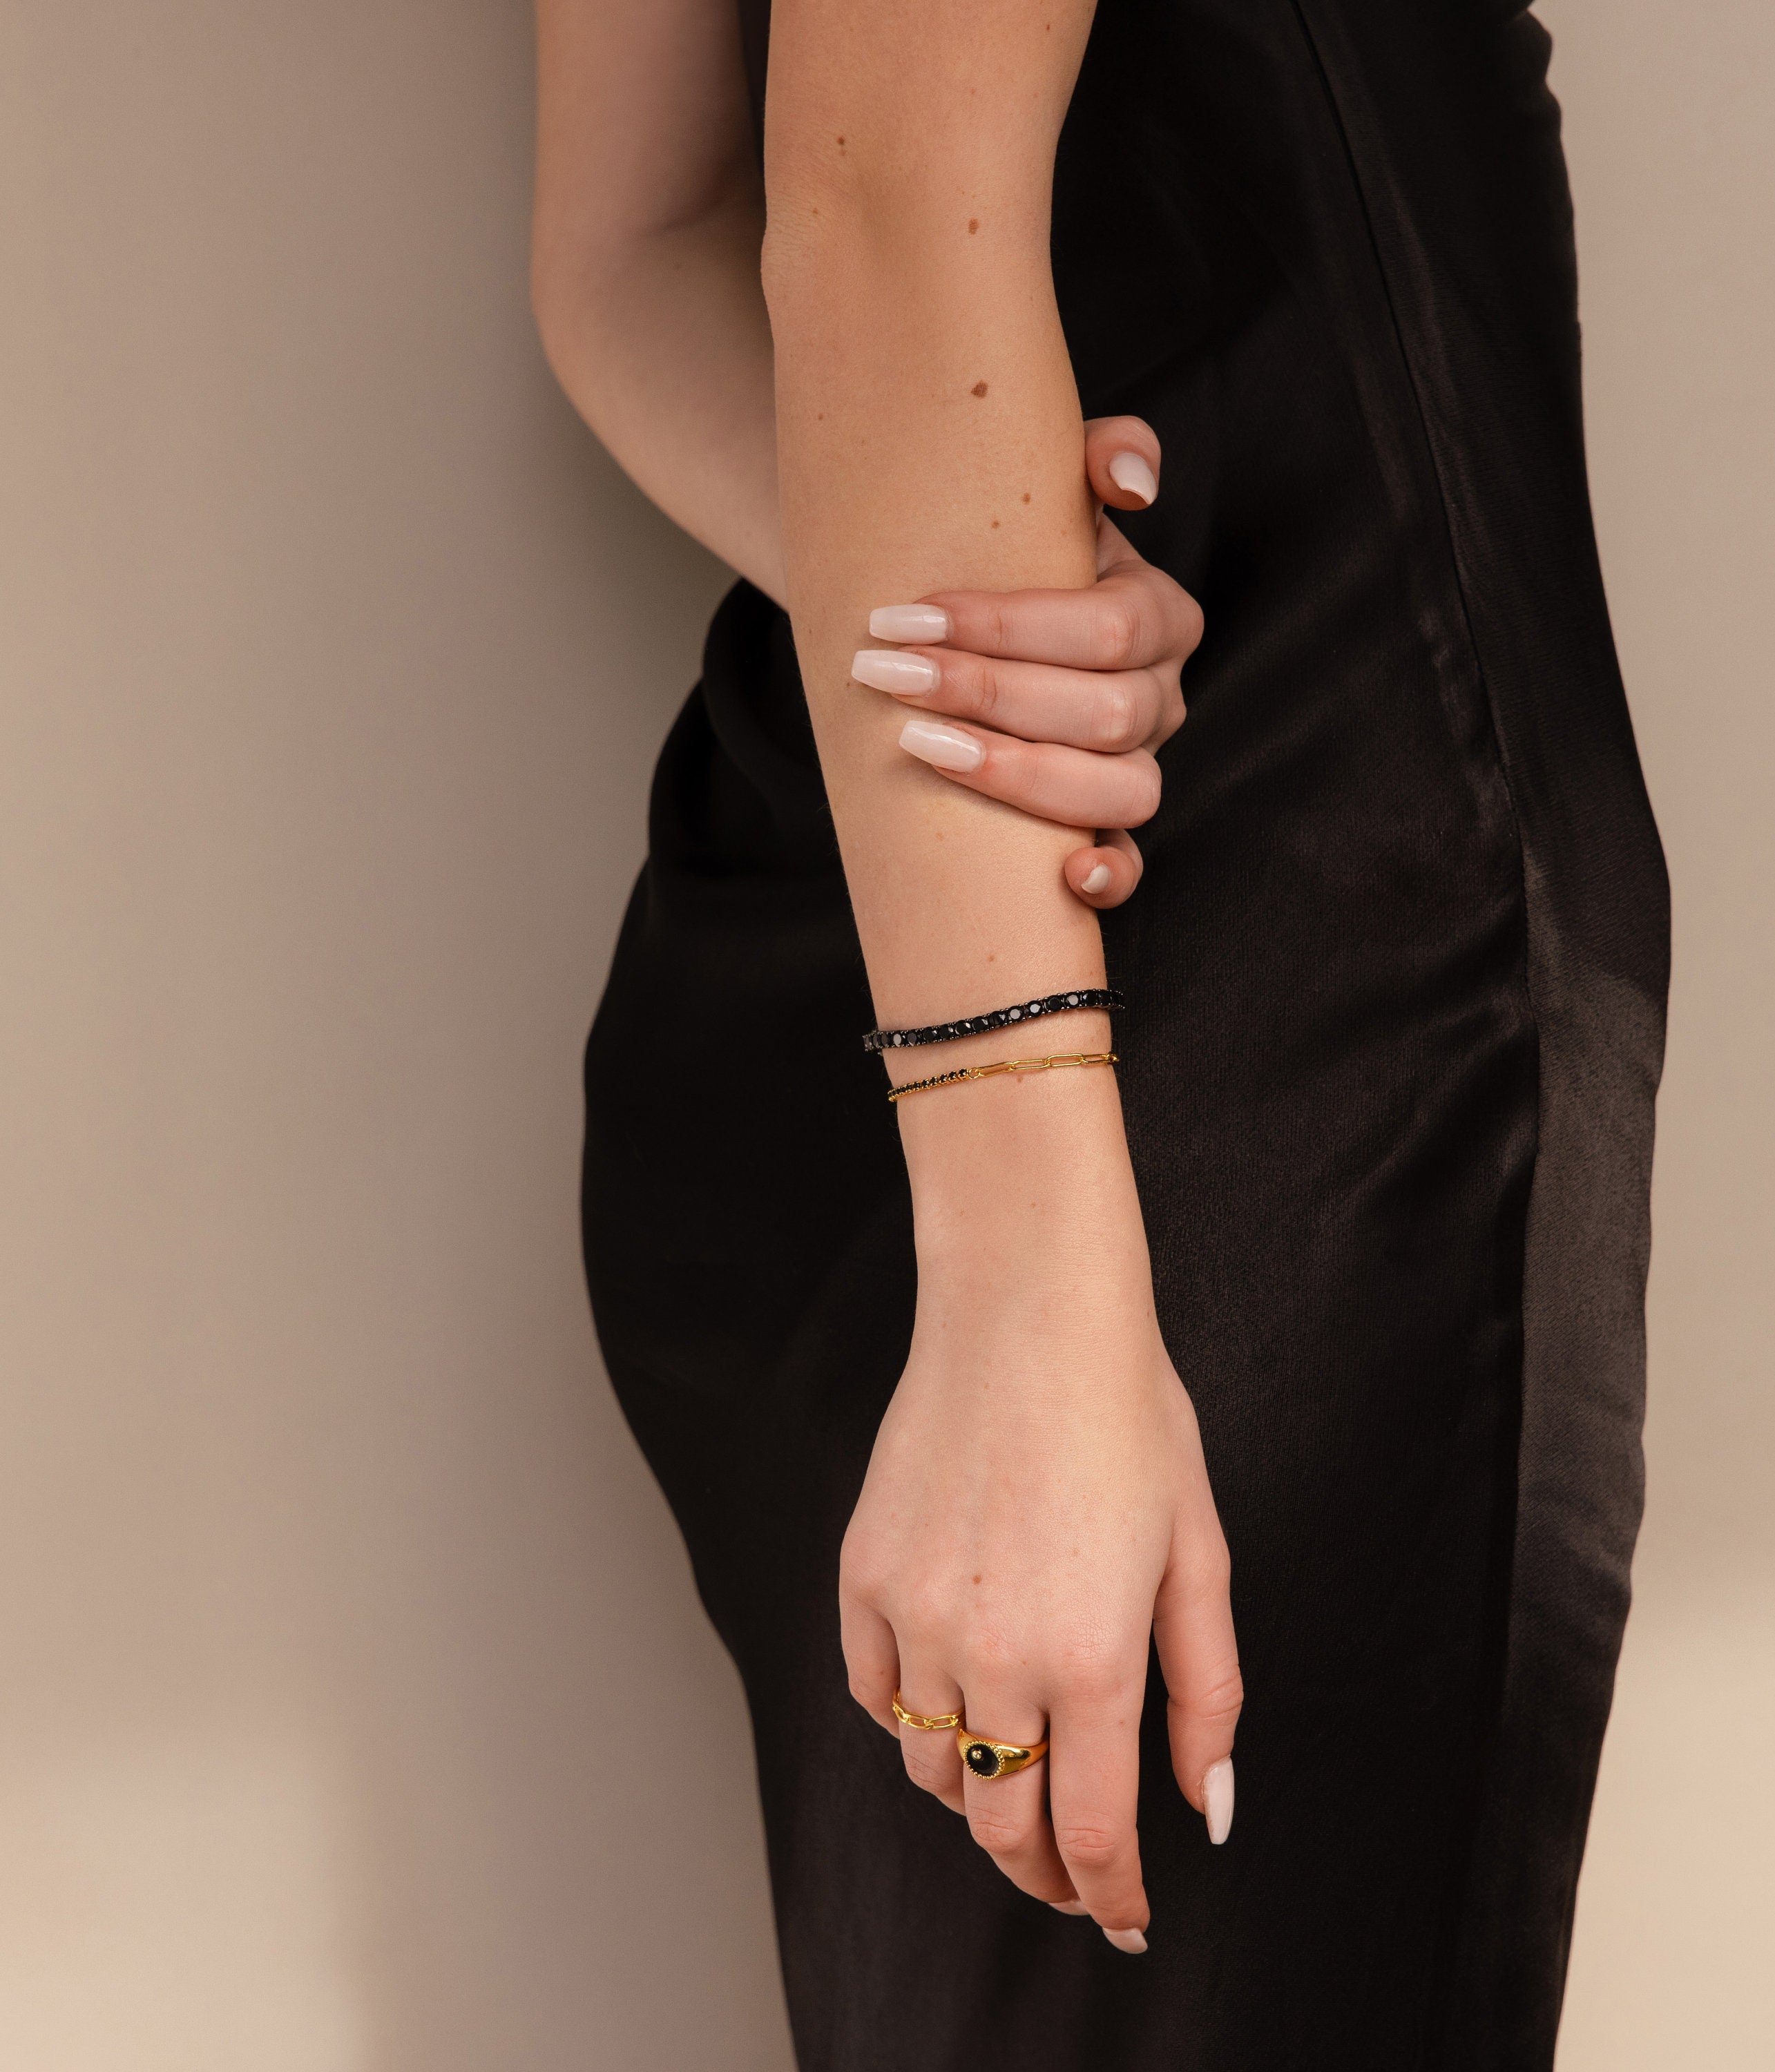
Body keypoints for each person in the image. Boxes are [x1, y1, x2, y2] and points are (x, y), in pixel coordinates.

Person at [532, 0, 1669, 2064]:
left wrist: (973, 612)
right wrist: (1033, 1273)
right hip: (1220, 1055)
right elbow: (869, 222)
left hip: (863, 969)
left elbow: (632, 244)